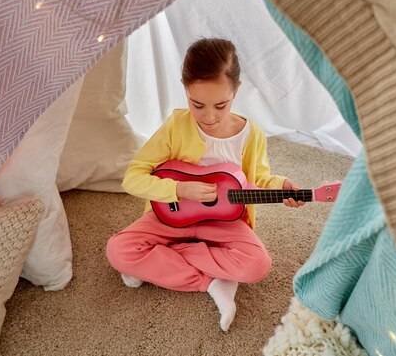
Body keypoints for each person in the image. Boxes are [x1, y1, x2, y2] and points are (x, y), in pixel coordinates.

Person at [106, 37, 304, 332]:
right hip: (171, 217)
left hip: (223, 222)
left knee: (257, 265)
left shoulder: (251, 134)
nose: (209, 116)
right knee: (118, 250)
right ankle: (212, 281)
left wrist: (282, 184)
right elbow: (133, 176)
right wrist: (178, 189)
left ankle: (162, 262)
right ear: (185, 90)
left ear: (236, 91)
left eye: (221, 105)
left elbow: (258, 179)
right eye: (197, 105)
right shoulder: (176, 126)